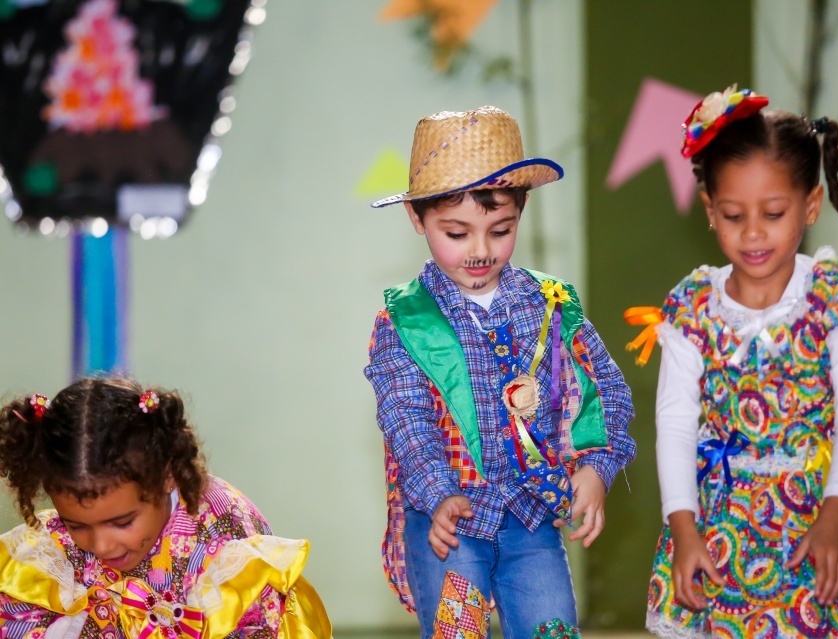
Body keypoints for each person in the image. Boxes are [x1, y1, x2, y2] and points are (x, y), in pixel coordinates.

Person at [626, 85, 838, 638]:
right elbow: (676, 423)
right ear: (710, 211)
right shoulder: (691, 308)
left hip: (825, 508)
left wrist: (836, 515)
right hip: (730, 522)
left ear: (810, 205)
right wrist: (683, 528)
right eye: (734, 215)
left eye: (773, 213)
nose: (753, 231)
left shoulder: (830, 295)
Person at [365, 105, 636, 638]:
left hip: (531, 519)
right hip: (452, 520)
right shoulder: (405, 322)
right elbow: (406, 421)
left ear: (520, 212)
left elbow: (604, 390)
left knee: (551, 630)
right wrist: (438, 492)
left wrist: (596, 466)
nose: (480, 251)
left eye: (500, 230)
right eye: (457, 232)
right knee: (458, 633)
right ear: (417, 218)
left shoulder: (552, 305)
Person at [0, 377, 332, 639]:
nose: (100, 545)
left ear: (167, 476)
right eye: (77, 525)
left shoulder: (224, 540)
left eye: (122, 522)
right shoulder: (51, 547)